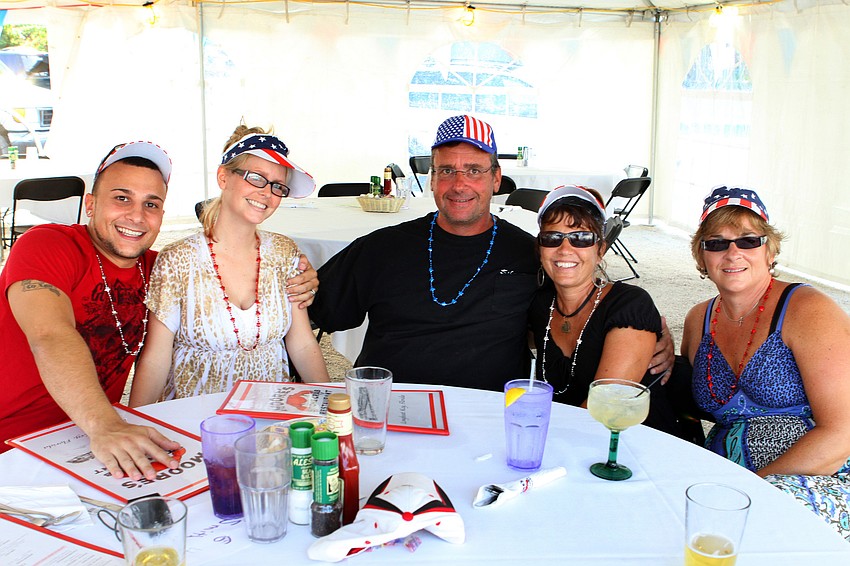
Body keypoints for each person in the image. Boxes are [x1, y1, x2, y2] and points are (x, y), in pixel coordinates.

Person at [0, 141, 319, 481]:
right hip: (16, 439)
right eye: (121, 198)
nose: (137, 216)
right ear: (90, 204)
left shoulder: (159, 267)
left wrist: (306, 280)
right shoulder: (48, 244)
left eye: (150, 203)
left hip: (88, 438)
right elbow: (51, 335)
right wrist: (108, 424)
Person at [310, 114, 673, 390]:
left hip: (492, 413)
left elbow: (580, 311)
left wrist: (653, 335)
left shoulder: (531, 251)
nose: (459, 183)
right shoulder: (382, 248)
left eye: (474, 170)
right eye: (447, 170)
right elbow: (311, 308)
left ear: (496, 179)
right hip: (396, 407)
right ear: (432, 180)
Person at [680, 186, 850, 540]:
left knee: (767, 534)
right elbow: (696, 407)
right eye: (716, 243)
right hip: (725, 471)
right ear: (701, 256)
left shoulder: (808, 309)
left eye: (747, 241)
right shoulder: (699, 319)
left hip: (813, 476)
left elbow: (842, 432)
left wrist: (755, 489)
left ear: (770, 249)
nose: (732, 253)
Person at [130, 126, 329, 406]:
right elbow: (155, 358)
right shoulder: (178, 260)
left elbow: (303, 343)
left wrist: (333, 404)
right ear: (223, 177)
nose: (266, 193)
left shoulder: (285, 253)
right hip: (197, 416)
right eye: (256, 178)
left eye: (277, 186)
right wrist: (138, 420)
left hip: (271, 411)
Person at [528, 186, 678, 433]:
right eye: (552, 237)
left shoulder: (630, 306)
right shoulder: (541, 304)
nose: (565, 249)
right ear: (540, 248)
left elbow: (605, 409)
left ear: (600, 250)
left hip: (633, 446)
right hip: (564, 441)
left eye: (581, 238)